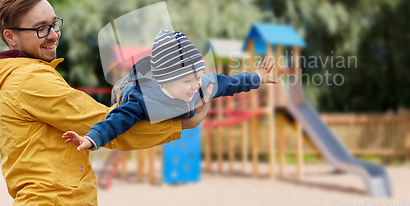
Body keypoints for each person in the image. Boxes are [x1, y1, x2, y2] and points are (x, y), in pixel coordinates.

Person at [0, 0, 209, 206]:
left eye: (54, 24)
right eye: (40, 28)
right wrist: (180, 122)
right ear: (10, 37)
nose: (53, 34)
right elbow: (108, 125)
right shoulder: (29, 80)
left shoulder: (17, 77)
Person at [63, 30, 278, 151]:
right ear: (165, 81)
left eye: (198, 76)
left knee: (212, 82)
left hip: (164, 94)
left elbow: (229, 83)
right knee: (124, 97)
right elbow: (117, 119)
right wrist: (93, 138)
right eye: (187, 81)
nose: (195, 85)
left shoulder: (200, 84)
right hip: (129, 88)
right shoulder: (142, 100)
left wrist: (257, 77)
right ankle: (128, 79)